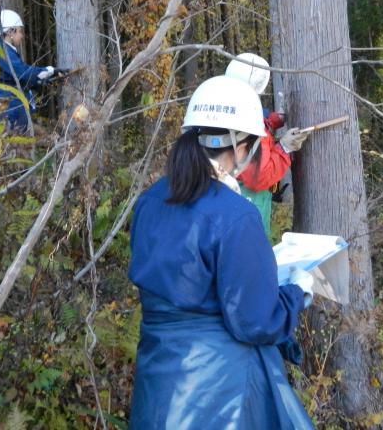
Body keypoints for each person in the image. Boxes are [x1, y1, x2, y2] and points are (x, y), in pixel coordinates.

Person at [128, 75, 315, 429]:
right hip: (218, 387)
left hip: (158, 376)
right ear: (240, 147)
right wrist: (296, 294)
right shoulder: (235, 216)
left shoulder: (149, 201)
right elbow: (256, 321)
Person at [225, 53, 308, 235]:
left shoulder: (231, 110)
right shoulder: (250, 128)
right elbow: (259, 177)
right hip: (249, 198)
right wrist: (284, 148)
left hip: (233, 195)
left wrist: (273, 121)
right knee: (252, 248)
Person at [0, 9, 56, 132]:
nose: (22, 36)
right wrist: (49, 71)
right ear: (10, 32)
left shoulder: (4, 49)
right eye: (19, 31)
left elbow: (12, 79)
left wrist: (36, 83)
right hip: (10, 113)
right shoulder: (0, 50)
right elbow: (23, 73)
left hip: (11, 110)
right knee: (13, 149)